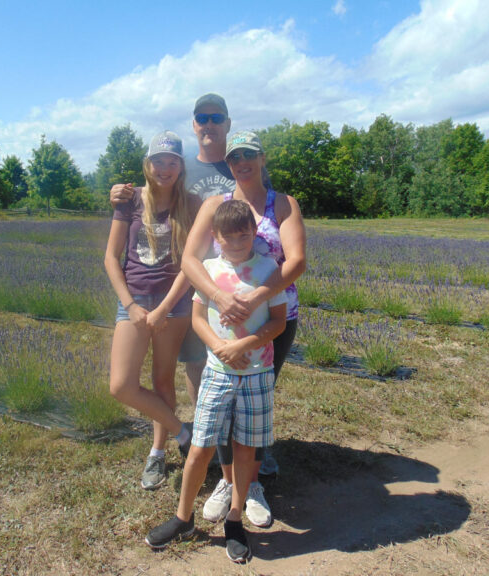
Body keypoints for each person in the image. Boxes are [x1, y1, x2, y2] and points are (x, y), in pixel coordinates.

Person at [145, 200, 287, 563]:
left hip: (256, 375)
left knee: (245, 448)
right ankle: (183, 518)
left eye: (245, 234)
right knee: (201, 447)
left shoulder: (270, 270)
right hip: (217, 373)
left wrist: (245, 344)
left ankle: (235, 520)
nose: (238, 241)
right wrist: (221, 348)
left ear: (254, 234)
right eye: (229, 236)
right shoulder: (208, 269)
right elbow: (197, 320)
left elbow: (278, 322)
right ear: (216, 237)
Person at [180, 130, 306, 527]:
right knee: (220, 406)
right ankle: (226, 480)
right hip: (220, 320)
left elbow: (297, 261)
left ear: (262, 157)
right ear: (228, 163)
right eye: (235, 157)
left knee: (253, 401)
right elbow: (190, 258)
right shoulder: (216, 204)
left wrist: (254, 298)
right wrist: (219, 298)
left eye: (249, 155)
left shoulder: (283, 204)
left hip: (273, 320)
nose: (242, 163)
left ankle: (250, 486)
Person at [104, 131, 201, 490]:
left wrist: (163, 309)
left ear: (181, 166)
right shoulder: (128, 201)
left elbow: (190, 263)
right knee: (121, 385)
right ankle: (183, 432)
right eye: (158, 161)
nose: (165, 168)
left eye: (172, 162)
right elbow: (111, 258)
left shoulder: (191, 204)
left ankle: (157, 454)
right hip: (132, 302)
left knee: (163, 381)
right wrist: (129, 305)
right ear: (148, 165)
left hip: (172, 305)